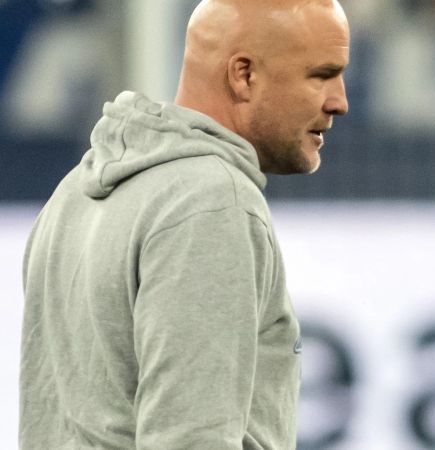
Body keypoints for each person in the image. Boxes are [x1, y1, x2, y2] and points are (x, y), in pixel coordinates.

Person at [19, 0, 349, 447]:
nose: (340, 101)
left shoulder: (73, 193)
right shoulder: (212, 201)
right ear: (244, 75)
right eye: (321, 75)